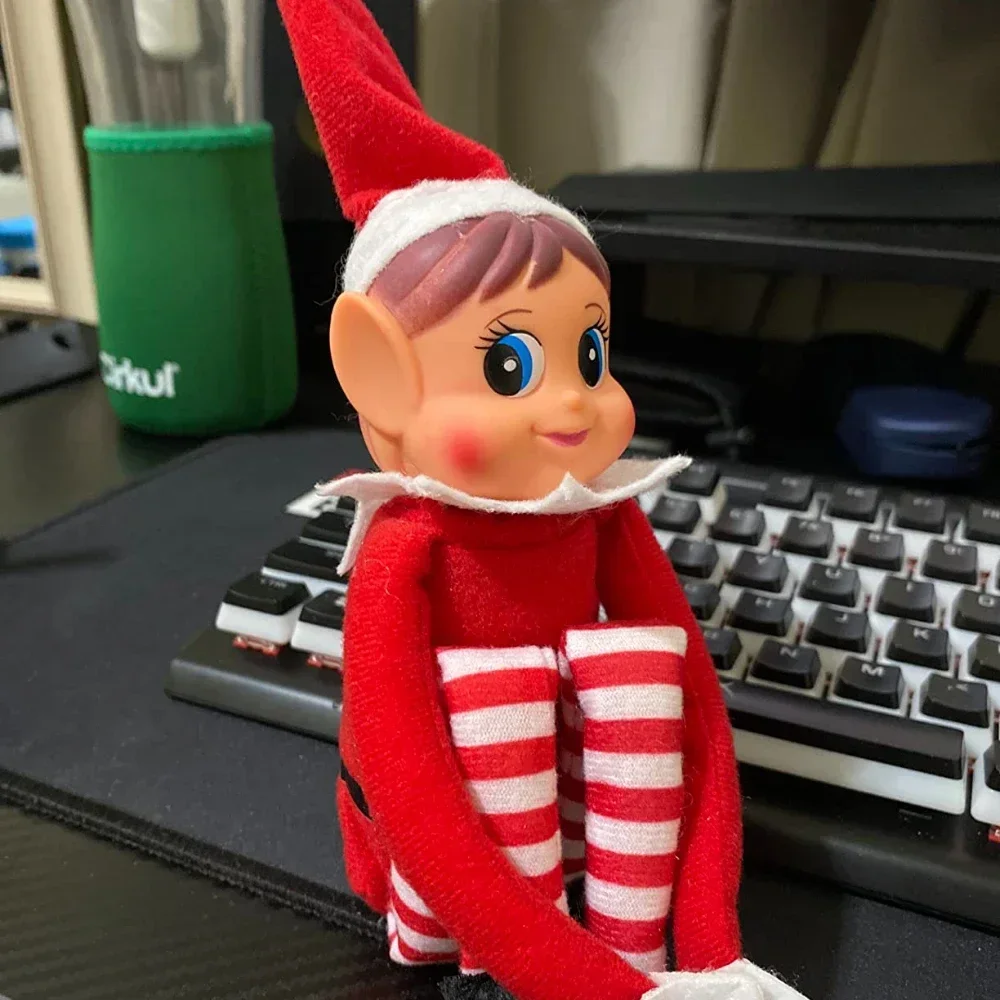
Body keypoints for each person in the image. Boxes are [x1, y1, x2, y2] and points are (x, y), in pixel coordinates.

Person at [276, 4, 809, 1000]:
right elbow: (407, 777)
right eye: (509, 365)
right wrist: (577, 980)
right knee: (481, 708)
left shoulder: (596, 511)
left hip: (575, 839)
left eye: (591, 354)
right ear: (377, 376)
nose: (575, 401)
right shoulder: (409, 544)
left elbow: (695, 712)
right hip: (456, 877)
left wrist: (711, 946)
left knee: (634, 678)